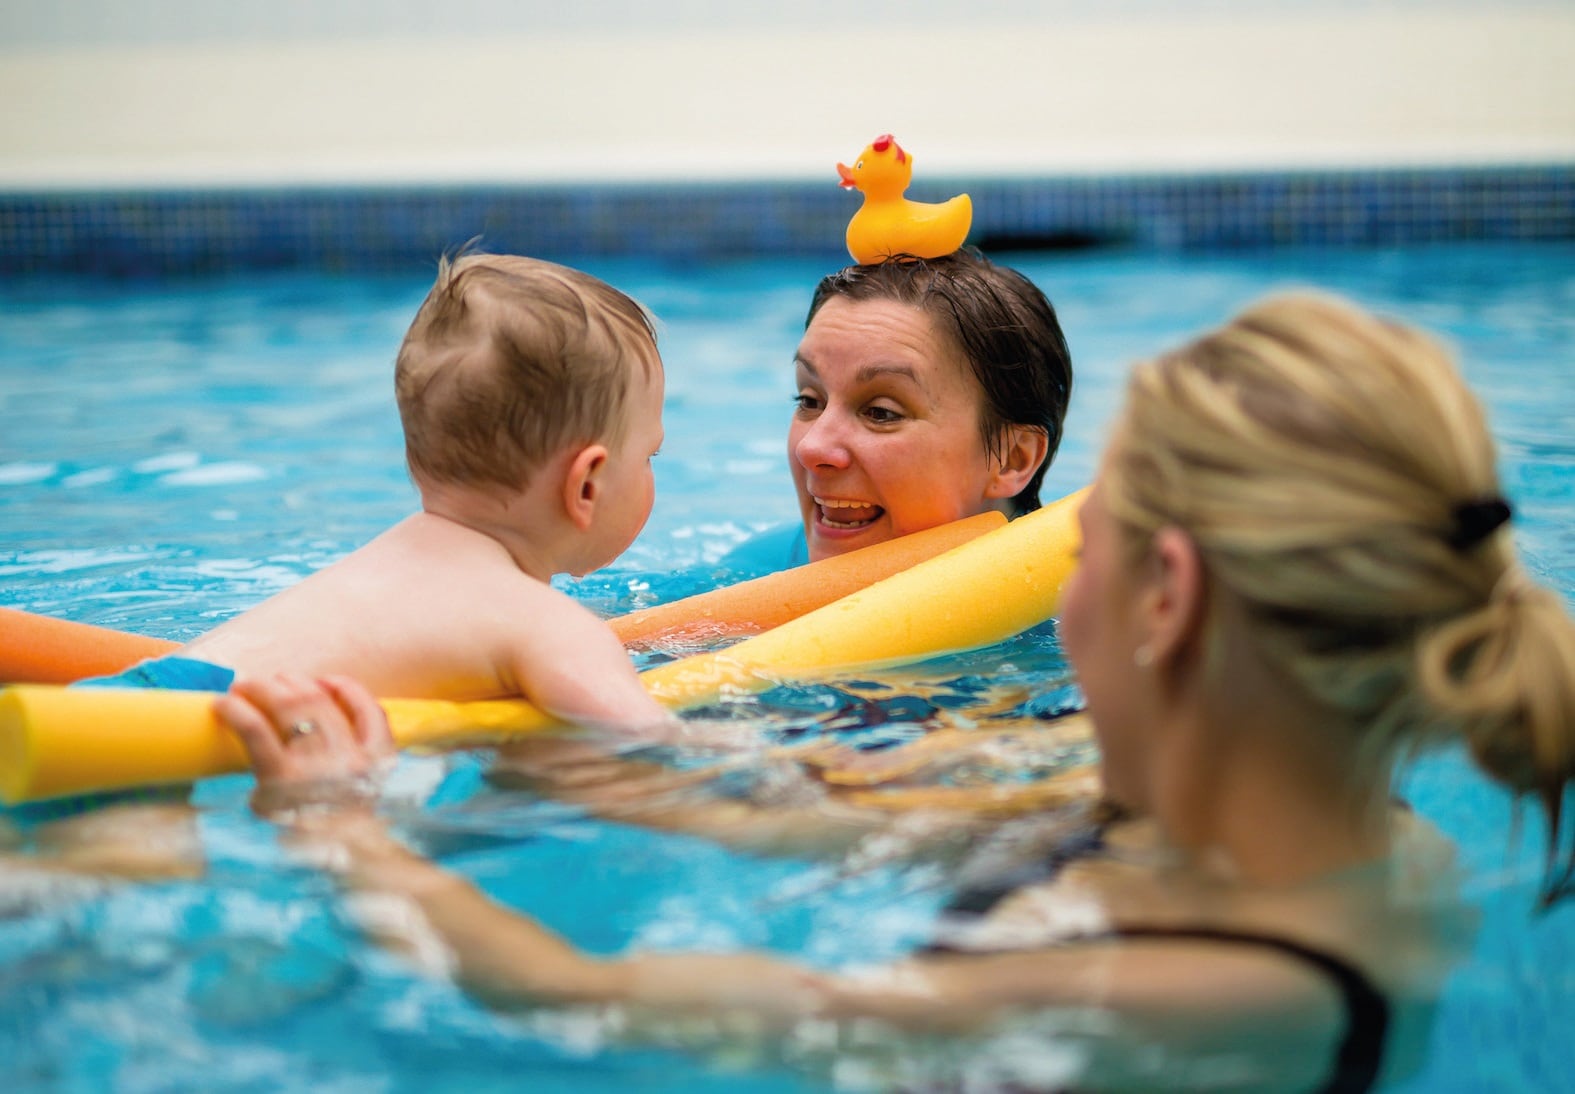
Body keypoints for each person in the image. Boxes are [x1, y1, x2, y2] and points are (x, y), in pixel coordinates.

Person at [221, 291, 1575, 1091]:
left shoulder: (1218, 991)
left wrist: (342, 828)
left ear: (1160, 596)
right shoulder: (1187, 803)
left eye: (1064, 547)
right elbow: (752, 815)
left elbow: (574, 989)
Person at [85, 252, 673, 734]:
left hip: (130, 701)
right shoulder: (550, 626)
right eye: (650, 455)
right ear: (587, 484)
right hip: (181, 742)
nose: (652, 468)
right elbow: (650, 748)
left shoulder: (388, 565)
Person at [726, 249, 1074, 570]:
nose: (811, 449)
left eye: (881, 412)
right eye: (809, 401)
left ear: (1013, 458)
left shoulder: (1092, 616)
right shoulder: (753, 572)